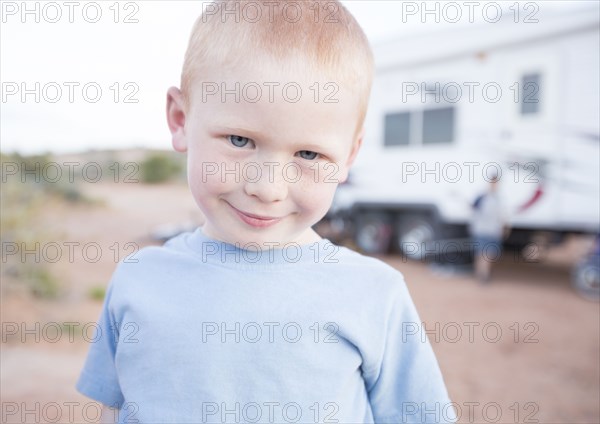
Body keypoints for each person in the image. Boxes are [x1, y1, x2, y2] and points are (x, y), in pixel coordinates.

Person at [76, 2, 456, 423]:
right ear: (181, 119)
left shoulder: (374, 294)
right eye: (239, 140)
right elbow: (116, 409)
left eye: (309, 153)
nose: (267, 188)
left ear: (349, 154)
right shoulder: (138, 279)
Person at [470, 176, 509, 283]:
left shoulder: (498, 198)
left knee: (489, 255)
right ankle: (483, 275)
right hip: (482, 230)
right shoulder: (482, 197)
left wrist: (504, 227)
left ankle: (482, 273)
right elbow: (473, 210)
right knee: (483, 254)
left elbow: (502, 215)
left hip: (493, 231)